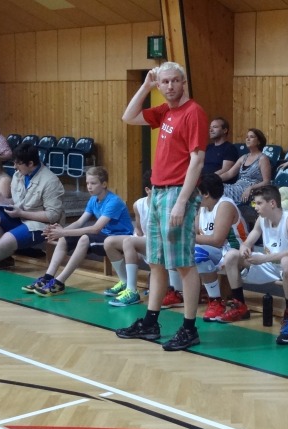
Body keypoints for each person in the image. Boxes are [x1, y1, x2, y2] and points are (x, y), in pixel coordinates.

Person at [114, 61, 209, 352]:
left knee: (182, 263)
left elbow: (197, 160)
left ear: (183, 83)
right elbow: (128, 117)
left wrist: (182, 201)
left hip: (177, 192)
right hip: (157, 191)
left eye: (174, 81)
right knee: (156, 261)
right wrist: (146, 85)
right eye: (164, 82)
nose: (169, 86)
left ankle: (189, 328)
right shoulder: (165, 111)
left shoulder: (193, 112)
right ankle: (151, 322)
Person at [23, 167, 134, 297]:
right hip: (104, 236)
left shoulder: (113, 201)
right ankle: (48, 277)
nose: (89, 187)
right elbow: (79, 222)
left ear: (104, 184)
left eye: (93, 183)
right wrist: (59, 232)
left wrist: (63, 232)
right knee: (65, 238)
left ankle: (59, 282)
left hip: (119, 238)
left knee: (85, 238)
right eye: (87, 183)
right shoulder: (93, 200)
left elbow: (95, 229)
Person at [0, 145, 64, 270]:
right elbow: (18, 201)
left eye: (18, 164)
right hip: (19, 216)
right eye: (14, 163)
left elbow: (53, 216)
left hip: (39, 224)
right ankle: (4, 258)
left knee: (6, 240)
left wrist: (21, 213)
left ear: (30, 163)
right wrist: (5, 201)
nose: (15, 167)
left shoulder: (50, 181)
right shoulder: (18, 175)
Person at [219, 185, 288, 323]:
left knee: (287, 262)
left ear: (272, 203)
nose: (255, 207)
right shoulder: (261, 219)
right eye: (254, 203)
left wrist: (264, 258)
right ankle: (240, 306)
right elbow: (247, 242)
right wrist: (244, 248)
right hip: (271, 262)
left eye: (259, 203)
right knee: (231, 255)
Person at [103, 171, 184, 307]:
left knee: (128, 242)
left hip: (164, 245)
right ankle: (125, 282)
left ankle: (132, 291)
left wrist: (134, 245)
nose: (163, 191)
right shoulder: (138, 205)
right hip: (147, 243)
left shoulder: (167, 205)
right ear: (148, 190)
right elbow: (139, 230)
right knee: (109, 242)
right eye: (158, 188)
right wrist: (134, 251)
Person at [195, 173, 248, 321]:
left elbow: (217, 240)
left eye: (196, 192)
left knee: (198, 252)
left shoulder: (225, 205)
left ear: (205, 193)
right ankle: (214, 300)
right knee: (190, 251)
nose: (193, 196)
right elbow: (193, 232)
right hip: (218, 251)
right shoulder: (202, 208)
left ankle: (216, 300)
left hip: (236, 252)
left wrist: (188, 238)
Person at [220, 128, 271, 204]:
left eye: (251, 137)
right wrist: (214, 179)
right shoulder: (244, 157)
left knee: (217, 192)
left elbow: (267, 182)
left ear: (259, 141)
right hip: (236, 187)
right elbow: (229, 174)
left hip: (249, 192)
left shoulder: (263, 159)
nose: (248, 139)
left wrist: (251, 188)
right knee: (213, 187)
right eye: (247, 137)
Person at [204, 117, 239, 184]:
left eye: (215, 127)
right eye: (210, 127)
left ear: (225, 130)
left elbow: (225, 170)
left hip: (218, 183)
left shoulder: (230, 148)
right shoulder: (208, 147)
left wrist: (206, 179)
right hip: (202, 181)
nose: (211, 130)